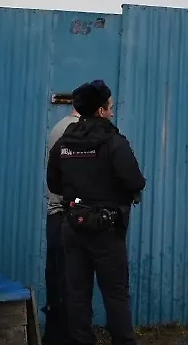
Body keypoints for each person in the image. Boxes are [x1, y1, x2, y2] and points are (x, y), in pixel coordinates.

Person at [47, 80, 146, 345]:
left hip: (73, 225)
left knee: (77, 294)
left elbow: (53, 183)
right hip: (106, 229)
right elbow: (136, 182)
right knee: (115, 294)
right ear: (100, 111)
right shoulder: (114, 142)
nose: (112, 112)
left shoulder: (64, 142)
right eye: (110, 107)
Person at [43, 107, 80, 345]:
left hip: (57, 215)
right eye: (108, 107)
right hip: (65, 215)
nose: (110, 113)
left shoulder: (60, 127)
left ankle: (55, 336)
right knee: (67, 281)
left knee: (57, 278)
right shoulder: (71, 131)